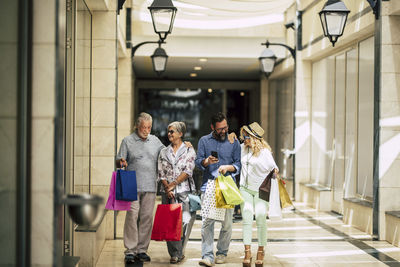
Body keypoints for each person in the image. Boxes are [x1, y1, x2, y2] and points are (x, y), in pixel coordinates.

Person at [116, 112, 165, 263]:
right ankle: (130, 250)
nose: (146, 130)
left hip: (150, 185)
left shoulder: (155, 141)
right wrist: (121, 162)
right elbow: (119, 160)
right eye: (144, 127)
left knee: (146, 218)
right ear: (137, 126)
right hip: (132, 184)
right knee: (132, 216)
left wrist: (183, 144)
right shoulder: (127, 141)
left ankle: (142, 250)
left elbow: (167, 153)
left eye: (149, 127)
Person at [195, 112, 241, 267]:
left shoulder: (233, 141)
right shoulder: (204, 141)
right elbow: (198, 162)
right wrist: (207, 161)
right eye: (220, 129)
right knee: (207, 222)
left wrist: (229, 167)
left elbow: (238, 165)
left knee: (227, 224)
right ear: (212, 127)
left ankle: (222, 252)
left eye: (226, 127)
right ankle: (207, 255)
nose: (224, 131)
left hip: (227, 187)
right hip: (209, 185)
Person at [239, 122, 278, 267]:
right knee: (247, 217)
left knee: (261, 218)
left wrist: (275, 171)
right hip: (245, 188)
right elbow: (231, 144)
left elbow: (274, 167)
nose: (244, 138)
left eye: (246, 136)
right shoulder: (243, 148)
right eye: (243, 136)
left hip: (261, 190)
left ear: (254, 138)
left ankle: (261, 251)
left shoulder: (264, 152)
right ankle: (247, 251)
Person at [157, 121, 197, 264]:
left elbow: (188, 170)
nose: (169, 134)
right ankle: (175, 254)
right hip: (168, 192)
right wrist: (167, 188)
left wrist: (173, 185)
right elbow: (161, 172)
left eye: (172, 131)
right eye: (168, 131)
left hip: (184, 190)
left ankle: (179, 250)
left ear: (180, 134)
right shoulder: (163, 151)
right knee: (170, 222)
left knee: (185, 220)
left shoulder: (189, 150)